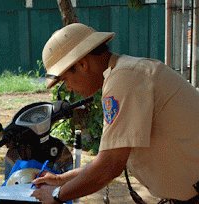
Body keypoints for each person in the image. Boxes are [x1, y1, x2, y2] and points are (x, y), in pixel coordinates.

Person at [31, 23, 199, 204]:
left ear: (81, 64)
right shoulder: (123, 73)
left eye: (65, 80)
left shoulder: (124, 78)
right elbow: (111, 157)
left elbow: (109, 165)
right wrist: (62, 180)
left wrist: (57, 195)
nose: (69, 88)